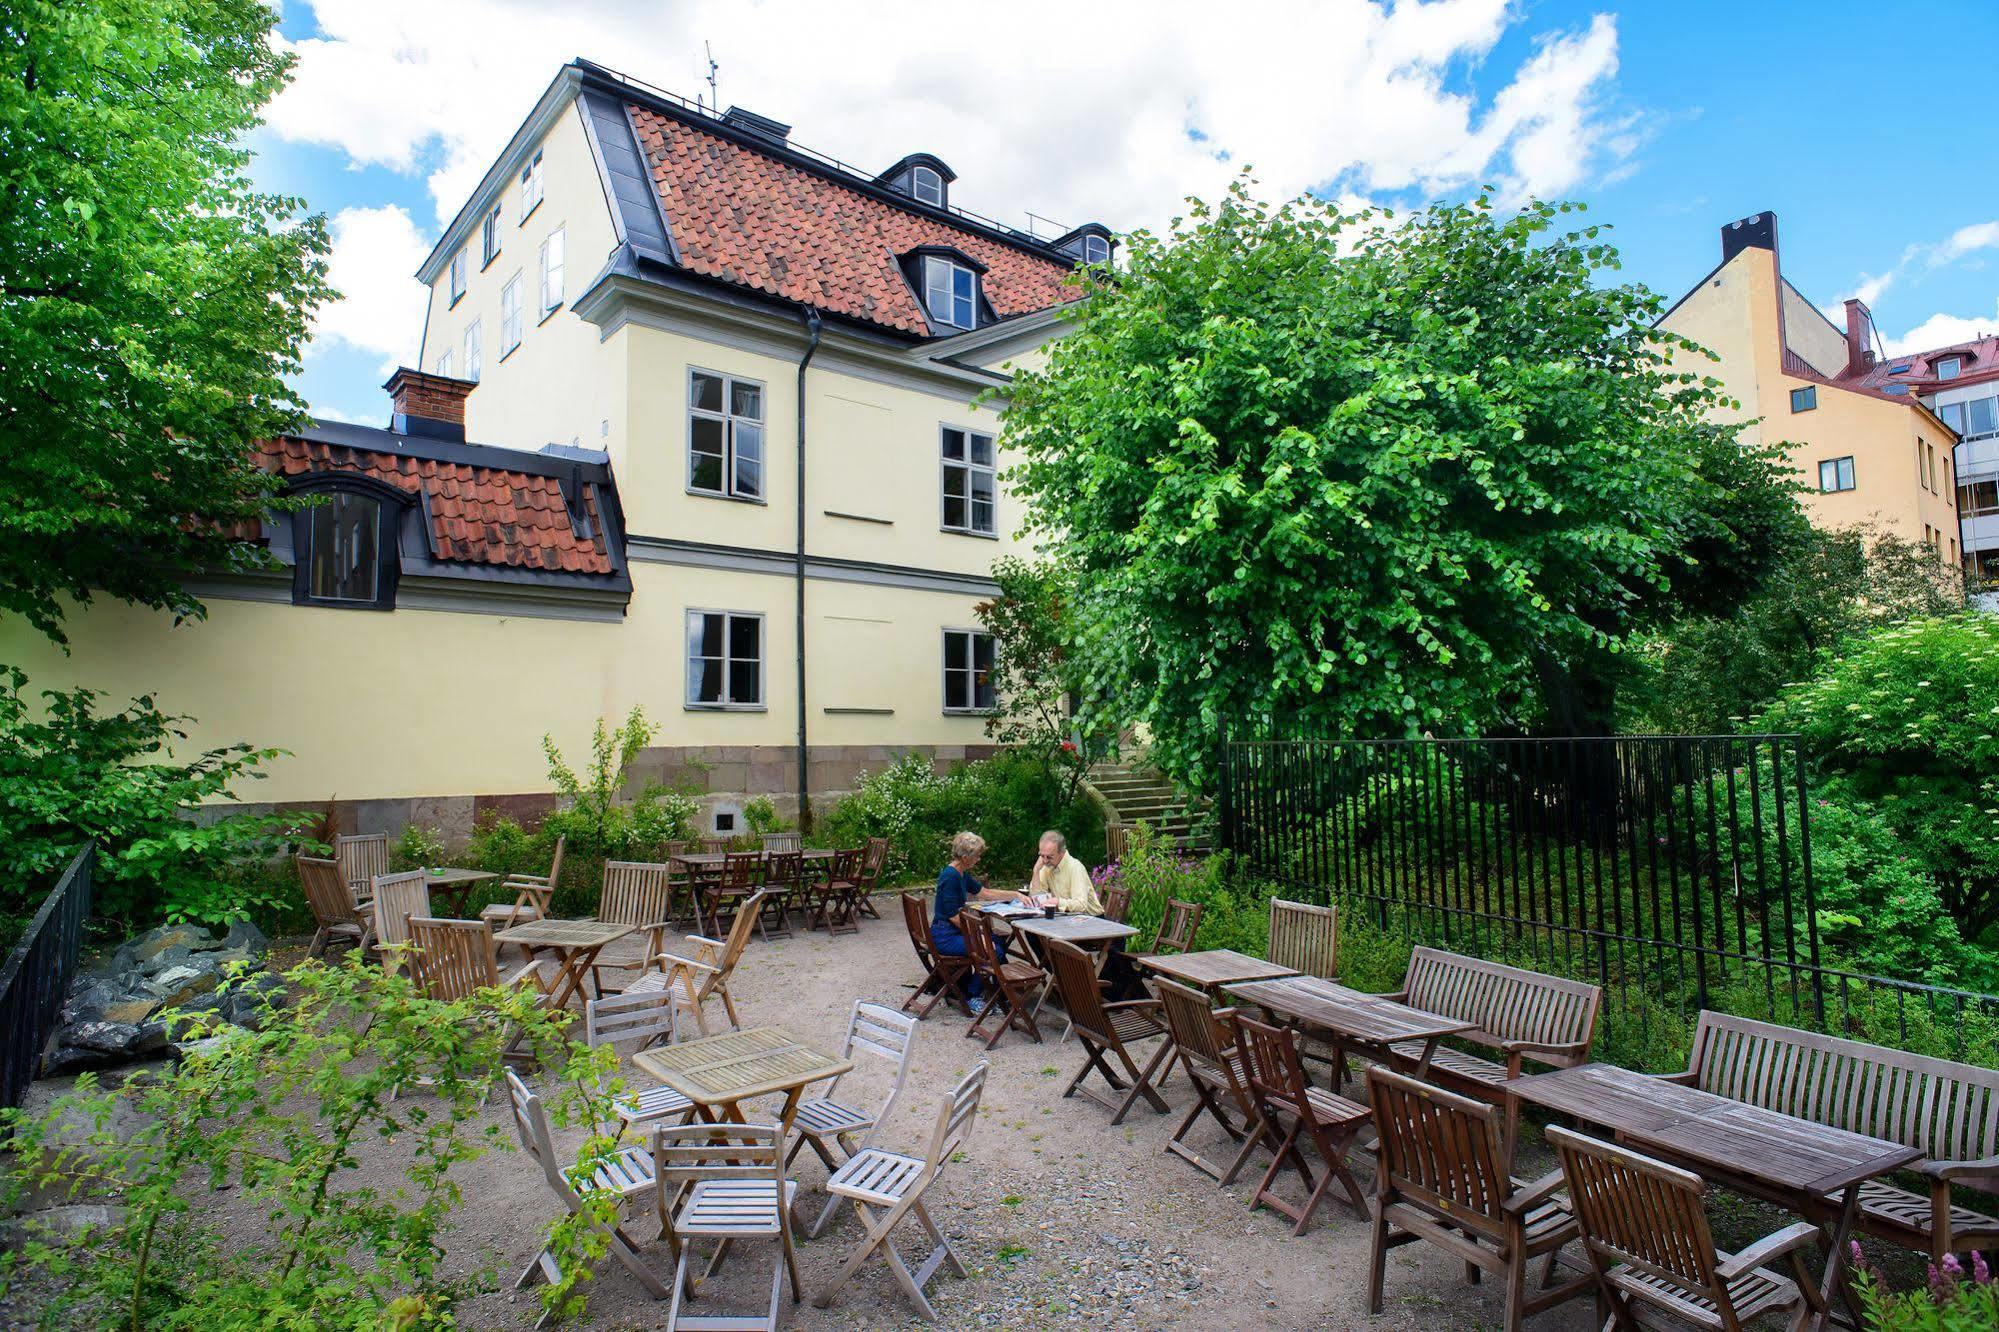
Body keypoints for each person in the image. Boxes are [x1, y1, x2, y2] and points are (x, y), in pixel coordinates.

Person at [931, 831, 1025, 1013]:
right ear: (965, 857)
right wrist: (979, 934)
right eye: (977, 855)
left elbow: (984, 893)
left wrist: (1015, 894)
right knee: (992, 950)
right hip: (945, 936)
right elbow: (953, 916)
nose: (979, 859)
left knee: (997, 941)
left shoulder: (960, 873)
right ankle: (972, 995)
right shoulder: (950, 877)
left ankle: (1001, 990)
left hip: (951, 931)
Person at [1026, 830, 1104, 915]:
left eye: (1049, 857)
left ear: (1062, 852)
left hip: (1092, 919)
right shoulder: (1046, 865)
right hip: (1068, 917)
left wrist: (1058, 902)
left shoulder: (1075, 867)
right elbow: (1037, 898)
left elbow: (1081, 905)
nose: (1044, 860)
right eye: (1042, 855)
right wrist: (1036, 870)